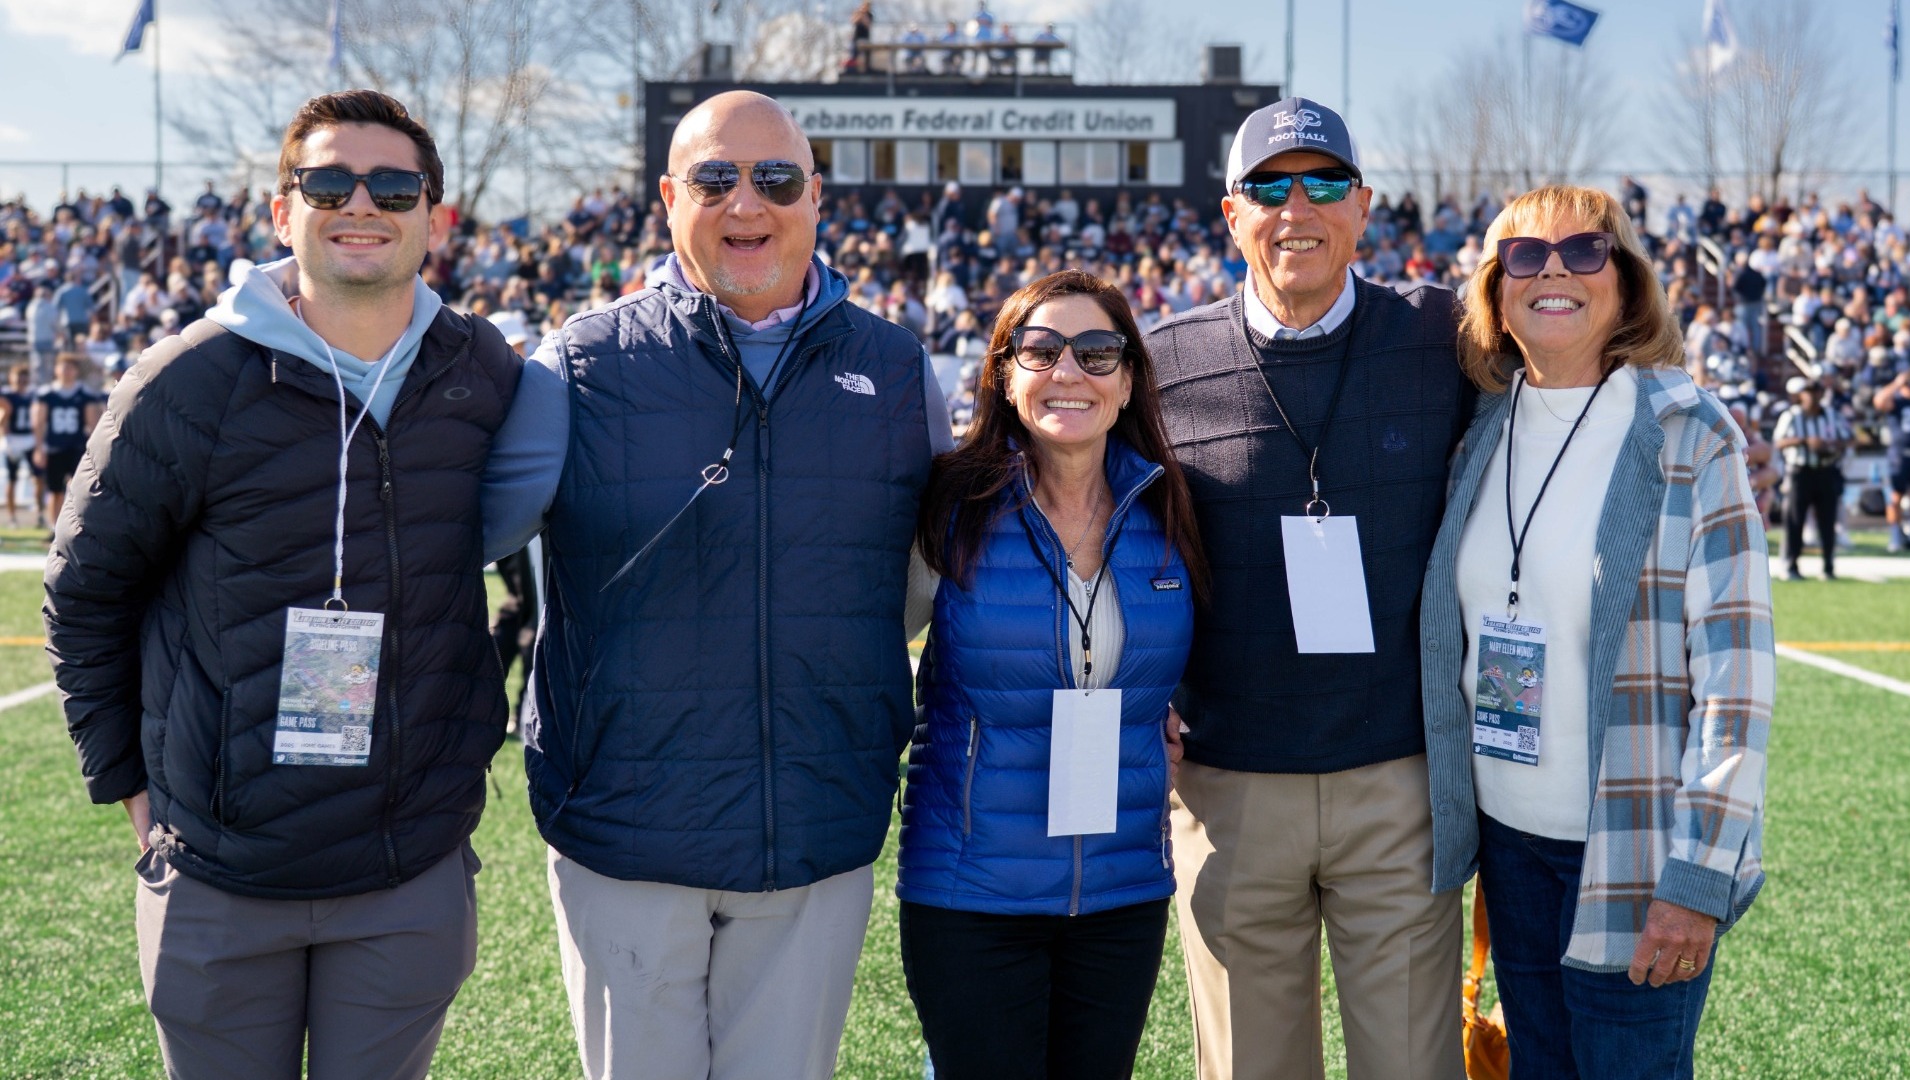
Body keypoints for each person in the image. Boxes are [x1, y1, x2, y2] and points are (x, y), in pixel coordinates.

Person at [43, 89, 521, 1080]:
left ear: (433, 215)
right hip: (219, 872)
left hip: (407, 868)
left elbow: (547, 561)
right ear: (280, 210)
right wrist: (131, 792)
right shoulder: (189, 378)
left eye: (395, 186)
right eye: (329, 181)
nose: (363, 203)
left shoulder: (482, 372)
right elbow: (86, 587)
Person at [479, 90, 952, 1080]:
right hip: (626, 829)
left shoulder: (897, 367)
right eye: (717, 179)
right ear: (667, 198)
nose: (750, 203)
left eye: (776, 179)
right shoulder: (578, 365)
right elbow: (459, 545)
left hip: (814, 825)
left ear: (816, 196)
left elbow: (915, 585)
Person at [1147, 96, 1476, 1080]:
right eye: (1270, 186)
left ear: (1364, 205)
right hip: (1230, 784)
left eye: (1324, 182)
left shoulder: (1444, 338)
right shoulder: (1163, 363)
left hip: (1398, 781)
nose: (1300, 206)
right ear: (1231, 213)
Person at [1422, 184, 1772, 1079]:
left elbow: (1737, 680)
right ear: (1495, 292)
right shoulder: (1479, 433)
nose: (1554, 273)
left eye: (1585, 252)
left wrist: (1696, 882)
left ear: (1625, 282)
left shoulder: (1688, 433)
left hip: (1635, 849)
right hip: (1509, 844)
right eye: (1524, 257)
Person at [898, 269, 1203, 1078]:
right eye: (1041, 351)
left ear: (1130, 377)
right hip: (971, 890)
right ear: (1003, 373)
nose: (1069, 372)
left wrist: (1176, 720)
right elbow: (858, 648)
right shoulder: (949, 505)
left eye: (1098, 351)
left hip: (1123, 887)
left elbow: (1205, 660)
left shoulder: (1170, 507)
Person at [1774, 374, 1851, 580]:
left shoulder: (1832, 415)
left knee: (1828, 521)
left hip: (1826, 471)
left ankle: (1828, 567)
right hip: (1800, 472)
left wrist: (1829, 445)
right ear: (1802, 395)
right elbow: (1779, 442)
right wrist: (1805, 441)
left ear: (1821, 393)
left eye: (1816, 391)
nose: (1813, 396)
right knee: (1794, 520)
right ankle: (1791, 566)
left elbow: (1850, 438)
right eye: (1809, 392)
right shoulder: (1791, 415)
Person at [31, 354, 103, 531]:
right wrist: (39, 448)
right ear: (56, 369)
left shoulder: (85, 394)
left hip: (77, 447)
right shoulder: (46, 394)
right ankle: (53, 529)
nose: (66, 371)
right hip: (54, 447)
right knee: (55, 490)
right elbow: (39, 423)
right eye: (63, 367)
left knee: (79, 489)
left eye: (70, 367)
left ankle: (78, 527)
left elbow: (93, 425)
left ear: (76, 371)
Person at [1871, 362, 1910, 551]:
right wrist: (1897, 383)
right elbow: (1879, 401)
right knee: (1896, 496)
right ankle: (1895, 534)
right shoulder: (1897, 400)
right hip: (1901, 456)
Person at [1, 364, 39, 525]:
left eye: (24, 378)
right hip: (13, 439)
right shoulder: (6, 395)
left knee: (38, 478)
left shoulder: (34, 395)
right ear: (11, 379)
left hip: (30, 438)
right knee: (12, 479)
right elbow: (3, 417)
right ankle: (12, 517)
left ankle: (39, 514)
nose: (21, 382)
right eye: (18, 378)